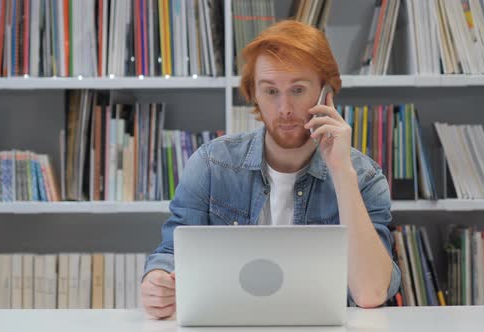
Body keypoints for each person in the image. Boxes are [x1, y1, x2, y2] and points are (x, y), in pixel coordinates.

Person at [140, 20, 400, 319]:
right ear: (254, 93)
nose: (285, 108)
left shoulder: (364, 176)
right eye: (271, 91)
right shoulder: (211, 165)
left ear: (327, 91)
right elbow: (171, 254)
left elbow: (370, 294)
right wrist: (156, 280)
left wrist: (341, 172)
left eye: (298, 89)